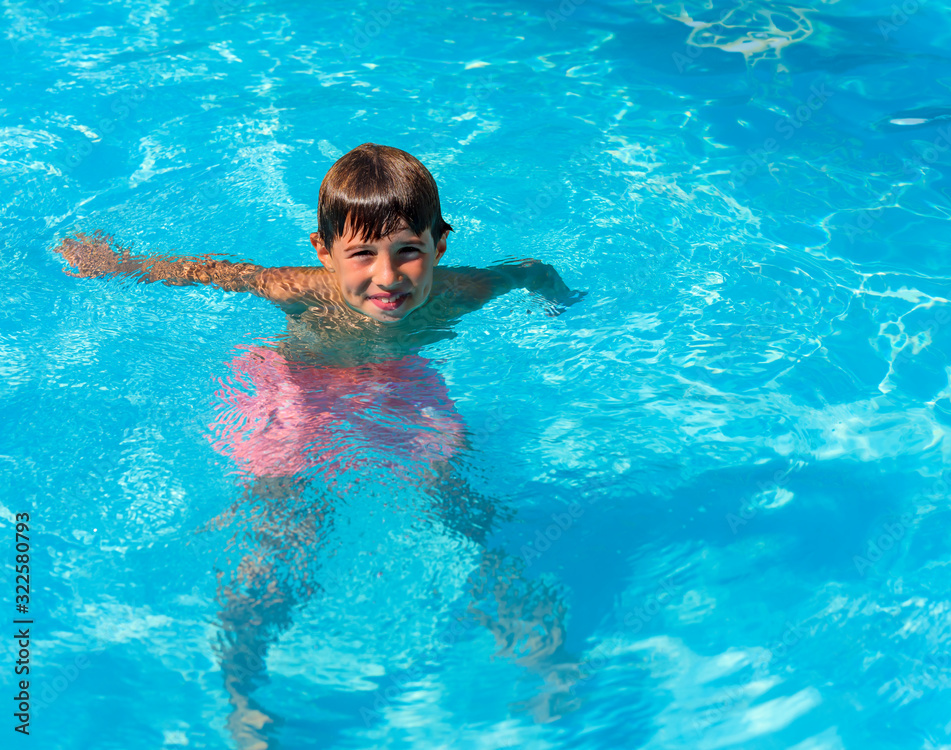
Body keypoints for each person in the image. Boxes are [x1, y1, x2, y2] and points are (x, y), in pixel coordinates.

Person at [53, 143, 585, 749]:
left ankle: (540, 653)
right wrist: (116, 263)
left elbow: (530, 270)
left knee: (466, 513)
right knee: (283, 534)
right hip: (299, 393)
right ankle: (243, 692)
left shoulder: (463, 289)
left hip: (398, 387)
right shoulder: (299, 289)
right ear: (324, 251)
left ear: (440, 244)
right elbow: (214, 272)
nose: (387, 277)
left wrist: (560, 302)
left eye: (408, 251)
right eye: (362, 254)